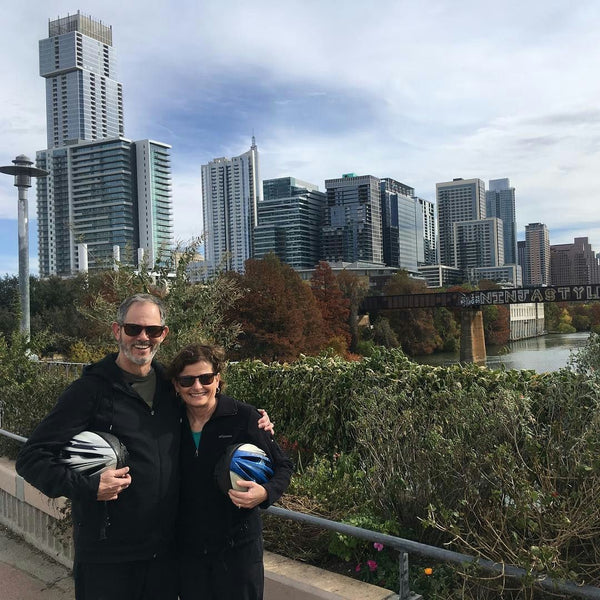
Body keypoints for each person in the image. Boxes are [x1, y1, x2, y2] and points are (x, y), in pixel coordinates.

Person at [15, 294, 272, 600]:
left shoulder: (171, 386)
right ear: (116, 331)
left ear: (164, 334)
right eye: (133, 329)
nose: (142, 338)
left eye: (152, 330)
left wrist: (254, 419)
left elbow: (208, 405)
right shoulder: (90, 390)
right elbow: (31, 458)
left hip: (164, 556)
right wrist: (89, 486)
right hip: (108, 557)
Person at [168, 344, 293, 600]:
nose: (197, 386)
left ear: (218, 379)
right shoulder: (169, 421)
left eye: (205, 378)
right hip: (190, 552)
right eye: (187, 380)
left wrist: (265, 493)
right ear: (176, 385)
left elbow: (284, 465)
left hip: (238, 550)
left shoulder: (245, 417)